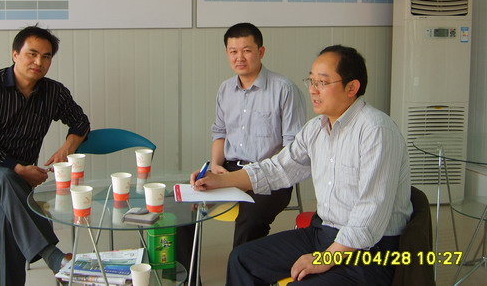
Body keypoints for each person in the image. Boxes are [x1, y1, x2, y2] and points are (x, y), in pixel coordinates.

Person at [192, 45, 413, 286]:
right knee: (242, 259)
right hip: (324, 233)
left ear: (352, 88)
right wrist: (219, 180)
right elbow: (277, 169)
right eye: (311, 81)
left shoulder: (376, 131)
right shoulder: (316, 128)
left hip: (369, 252)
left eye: (322, 82)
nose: (313, 90)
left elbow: (370, 213)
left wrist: (325, 258)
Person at [0, 25, 91, 286]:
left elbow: (80, 122)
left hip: (14, 188)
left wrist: (66, 148)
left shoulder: (54, 92)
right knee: (3, 177)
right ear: (15, 54)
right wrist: (17, 168)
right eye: (32, 54)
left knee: (5, 216)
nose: (38, 62)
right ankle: (54, 258)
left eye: (46, 56)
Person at [177, 22, 306, 278]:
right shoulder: (226, 89)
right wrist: (215, 165)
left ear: (261, 51)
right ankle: (189, 281)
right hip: (229, 169)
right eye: (233, 51)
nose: (240, 57)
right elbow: (220, 133)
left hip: (271, 175)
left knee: (250, 219)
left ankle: (240, 281)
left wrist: (262, 174)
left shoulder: (284, 89)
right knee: (181, 207)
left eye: (246, 50)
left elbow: (293, 148)